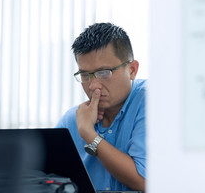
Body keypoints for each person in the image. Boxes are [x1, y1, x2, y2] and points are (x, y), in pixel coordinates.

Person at [56, 22, 146, 192]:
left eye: (104, 73)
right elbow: (44, 178)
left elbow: (144, 181)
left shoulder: (150, 102)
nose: (93, 86)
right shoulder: (72, 119)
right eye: (85, 75)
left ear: (132, 70)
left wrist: (89, 134)